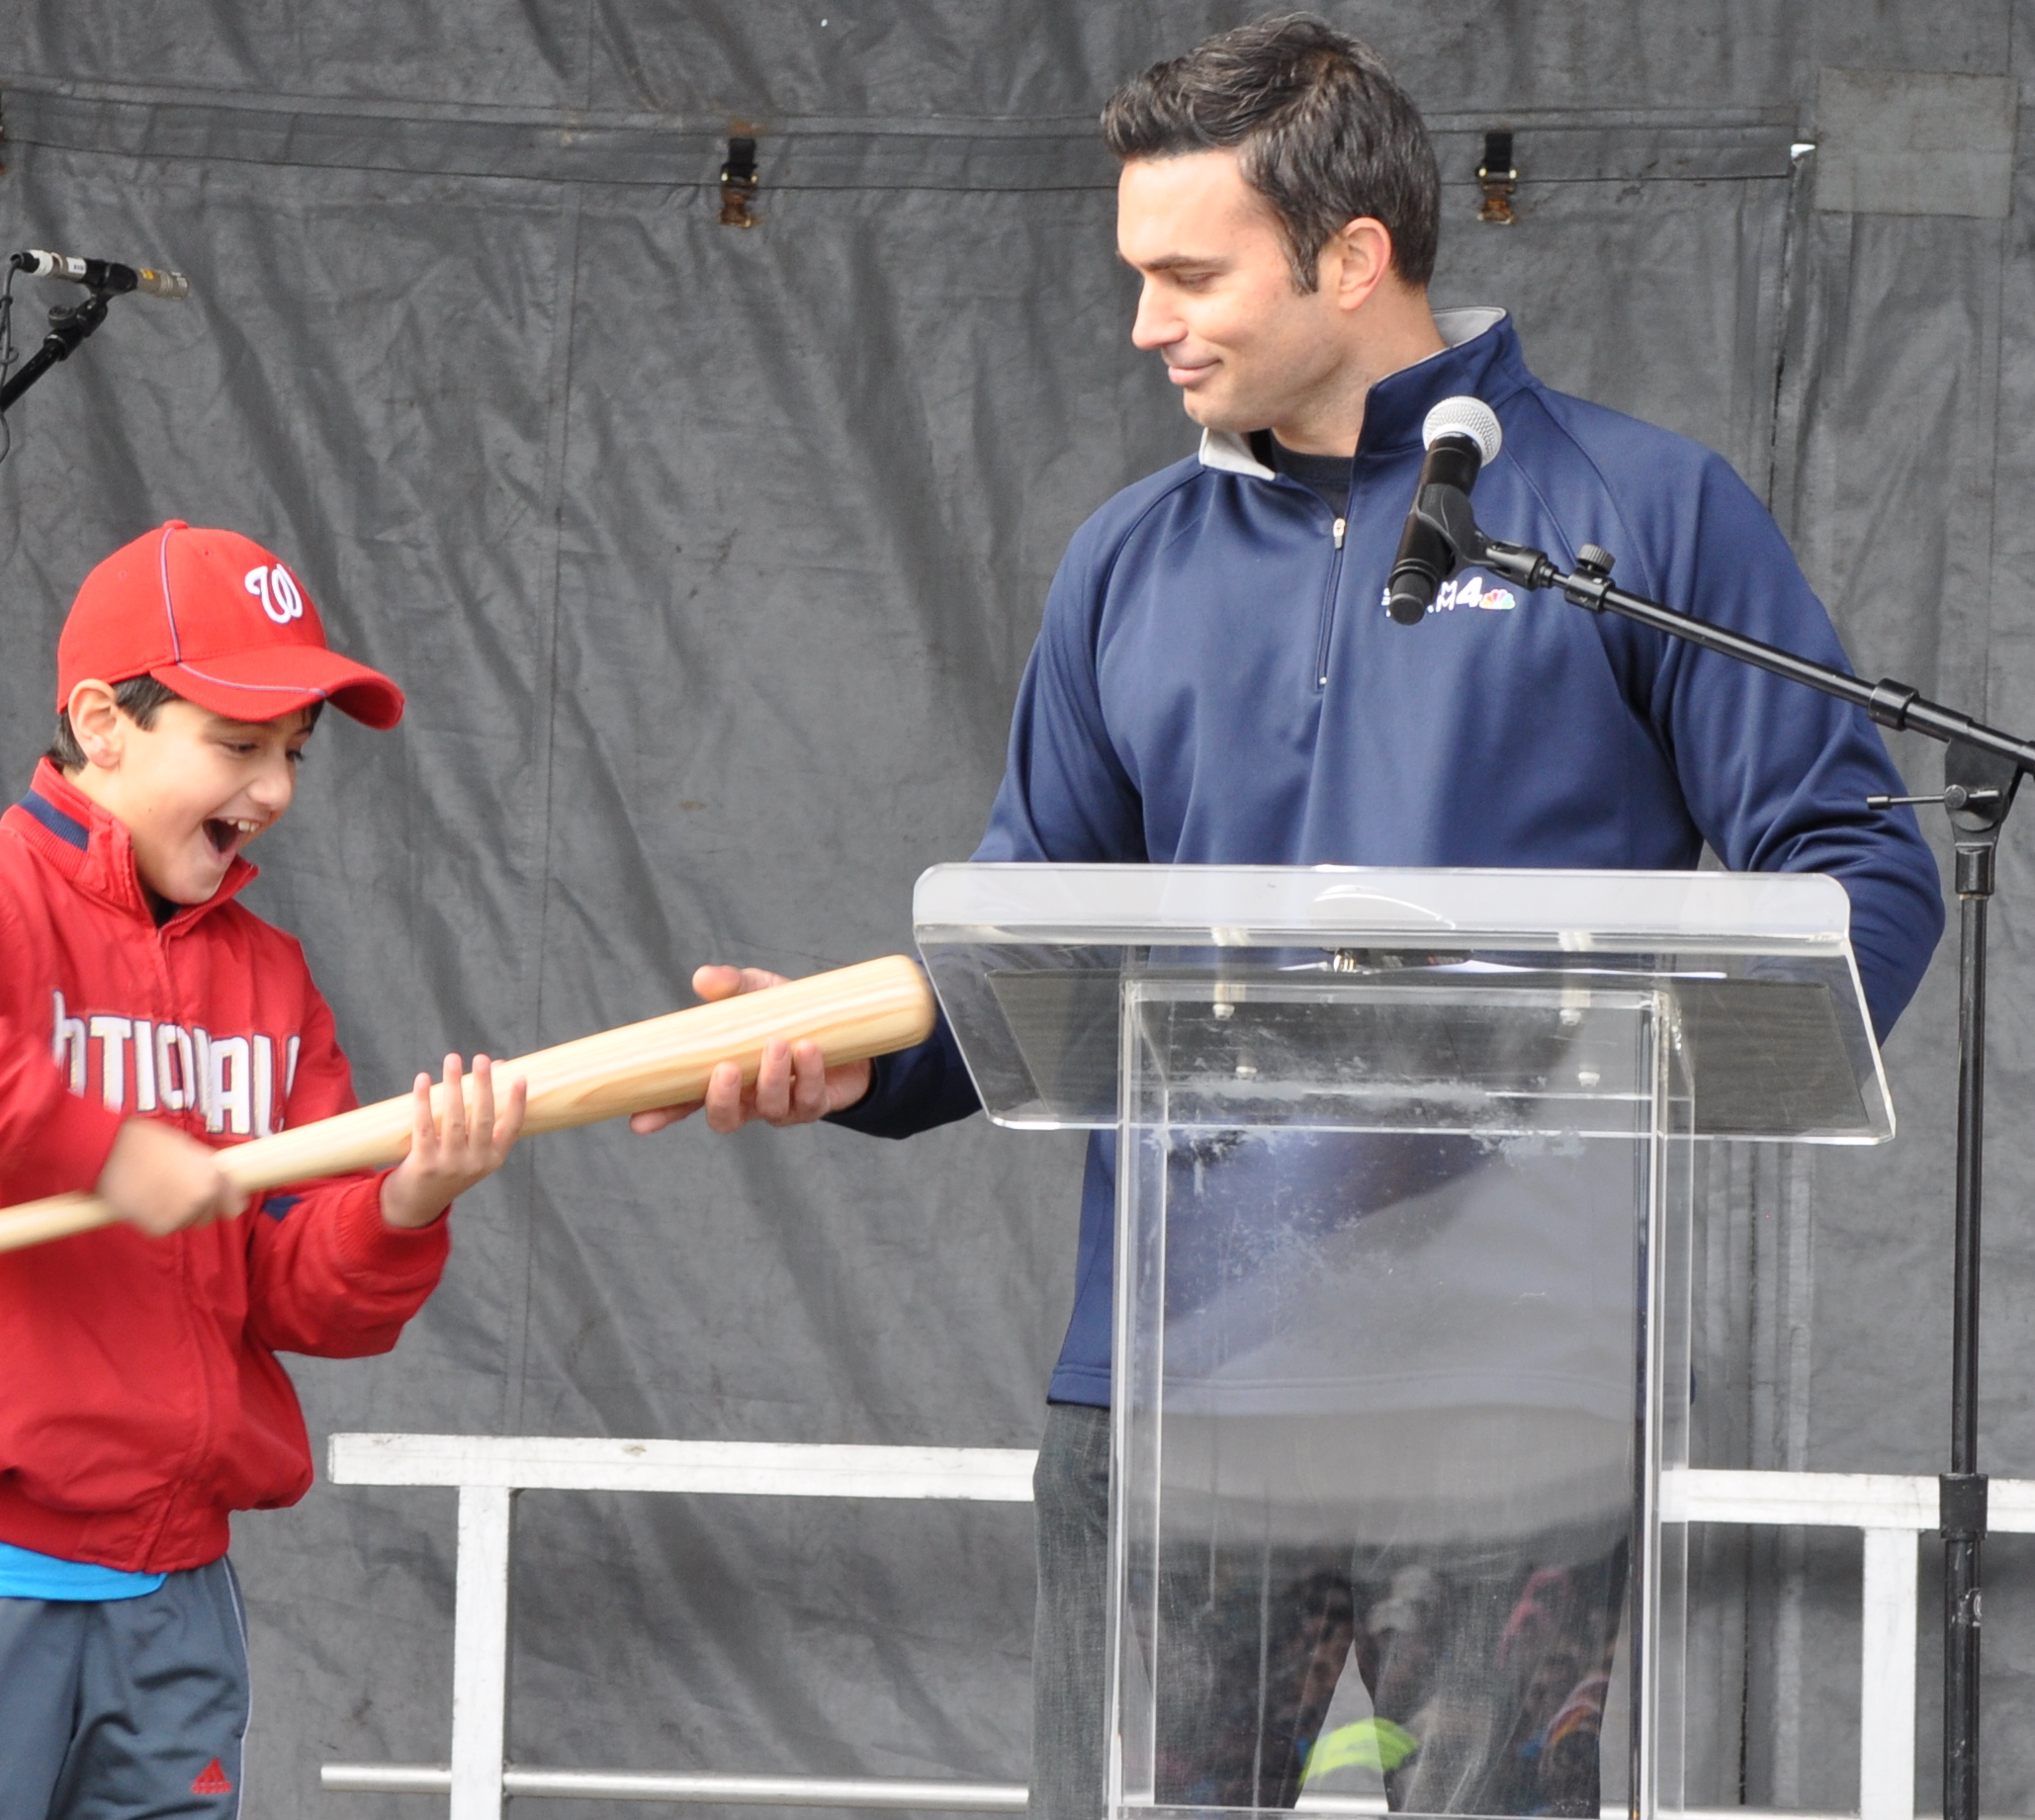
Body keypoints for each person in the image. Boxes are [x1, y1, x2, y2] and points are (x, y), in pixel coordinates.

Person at [631, 16, 1945, 1818]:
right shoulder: (1126, 562)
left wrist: (1586, 1085)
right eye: (1138, 275)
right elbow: (1028, 940)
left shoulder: (1637, 514)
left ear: (1353, 256)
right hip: (1172, 1382)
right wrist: (856, 1057)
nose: (1145, 324)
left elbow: (1863, 866)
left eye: (1189, 276)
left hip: (1515, 1400)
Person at [0, 520, 525, 1818]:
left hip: (178, 1583)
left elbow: (298, 1293)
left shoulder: (272, 977)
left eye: (294, 751)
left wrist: (406, 1204)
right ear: (102, 722)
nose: (274, 789)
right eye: (238, 744)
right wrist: (99, 1143)